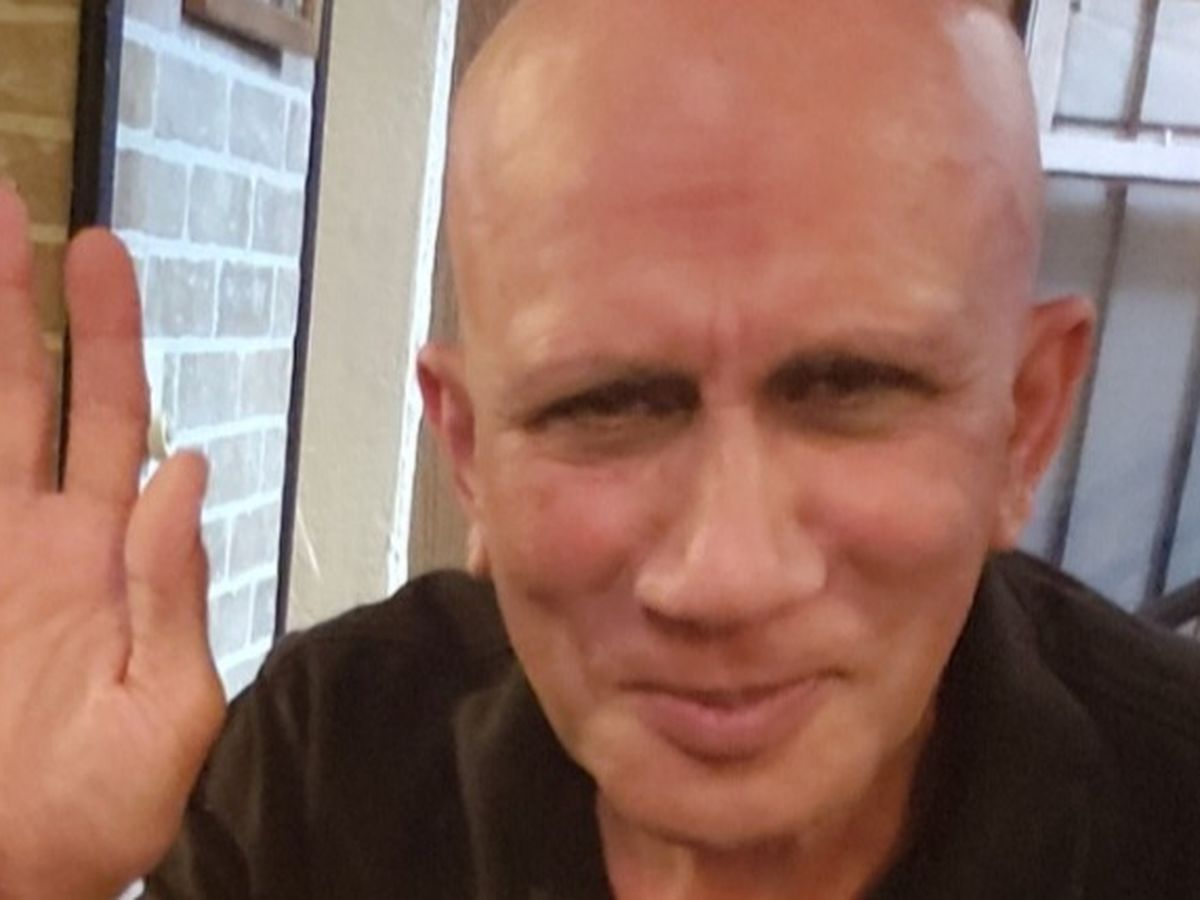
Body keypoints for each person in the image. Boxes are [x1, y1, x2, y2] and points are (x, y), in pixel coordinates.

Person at [1, 0, 1198, 897]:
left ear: (1024, 422)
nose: (724, 576)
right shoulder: (325, 770)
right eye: (603, 407)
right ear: (469, 452)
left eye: (850, 392)